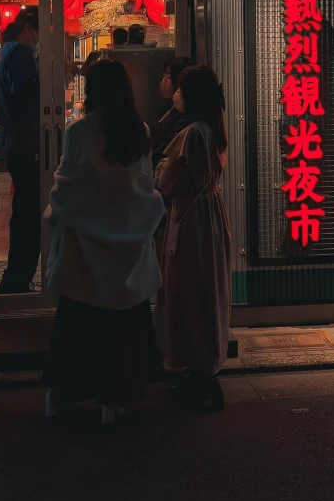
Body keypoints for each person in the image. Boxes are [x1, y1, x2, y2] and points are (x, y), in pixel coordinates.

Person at [43, 60, 165, 424]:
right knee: (123, 323)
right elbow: (144, 187)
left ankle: (65, 392)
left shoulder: (80, 132)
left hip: (84, 246)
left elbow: (68, 187)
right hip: (129, 248)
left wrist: (60, 211)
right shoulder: (138, 131)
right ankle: (119, 392)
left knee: (78, 323)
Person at [154, 65, 231, 412]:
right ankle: (202, 368)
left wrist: (160, 169)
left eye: (181, 89)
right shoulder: (211, 129)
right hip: (207, 216)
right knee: (206, 291)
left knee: (187, 292)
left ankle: (196, 371)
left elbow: (166, 180)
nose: (176, 94)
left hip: (189, 219)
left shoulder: (192, 134)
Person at [0, 6, 41, 294]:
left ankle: (17, 277)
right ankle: (17, 279)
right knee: (28, 213)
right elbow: (24, 95)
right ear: (28, 28)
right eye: (38, 30)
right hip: (25, 143)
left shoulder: (6, 50)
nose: (38, 37)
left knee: (24, 209)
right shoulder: (21, 52)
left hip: (15, 141)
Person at [150, 57, 194, 255]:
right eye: (164, 75)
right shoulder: (167, 110)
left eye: (169, 76)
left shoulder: (187, 123)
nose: (164, 81)